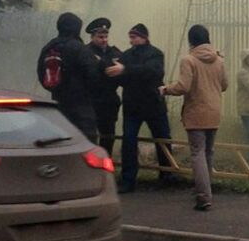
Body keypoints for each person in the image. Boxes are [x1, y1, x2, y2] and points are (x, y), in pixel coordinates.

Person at [160, 25, 228, 211]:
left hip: (196, 112)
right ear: (208, 39)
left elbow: (183, 86)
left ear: (191, 41)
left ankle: (203, 196)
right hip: (214, 112)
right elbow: (224, 85)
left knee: (197, 153)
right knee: (208, 152)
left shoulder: (188, 60)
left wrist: (166, 89)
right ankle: (206, 189)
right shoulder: (219, 61)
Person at [106, 23, 178, 193]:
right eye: (130, 37)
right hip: (133, 106)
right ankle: (128, 179)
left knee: (163, 140)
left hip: (153, 105)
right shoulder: (126, 56)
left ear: (145, 37)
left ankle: (167, 175)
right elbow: (122, 78)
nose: (132, 40)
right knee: (129, 141)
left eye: (135, 36)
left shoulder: (155, 54)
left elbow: (153, 72)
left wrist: (126, 70)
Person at [37, 12, 99, 142]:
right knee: (86, 144)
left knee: (61, 141)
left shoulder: (49, 47)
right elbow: (93, 75)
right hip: (81, 106)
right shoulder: (80, 48)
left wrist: (56, 89)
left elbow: (41, 73)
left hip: (57, 103)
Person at [85, 17, 123, 157]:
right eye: (100, 37)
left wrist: (102, 62)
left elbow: (116, 72)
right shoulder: (85, 52)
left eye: (106, 36)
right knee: (89, 136)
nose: (104, 40)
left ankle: (106, 164)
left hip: (109, 102)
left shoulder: (115, 52)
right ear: (92, 37)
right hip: (91, 100)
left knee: (108, 137)